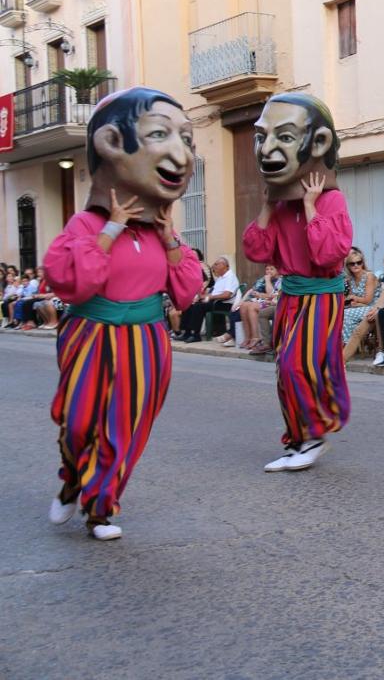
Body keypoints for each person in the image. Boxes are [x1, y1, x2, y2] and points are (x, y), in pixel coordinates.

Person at [43, 86, 202, 540]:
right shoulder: (84, 225)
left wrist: (170, 237)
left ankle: (100, 508)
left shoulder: (160, 234)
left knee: (125, 426)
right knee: (77, 422)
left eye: (186, 138)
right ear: (111, 144)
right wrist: (112, 228)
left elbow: (187, 291)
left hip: (146, 340)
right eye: (160, 133)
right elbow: (76, 282)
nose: (183, 153)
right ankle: (72, 481)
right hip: (92, 335)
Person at [243, 92, 354, 472]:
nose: (267, 147)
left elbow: (328, 254)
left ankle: (314, 435)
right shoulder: (280, 206)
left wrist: (310, 207)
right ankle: (296, 439)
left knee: (298, 365)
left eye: (285, 137)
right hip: (291, 296)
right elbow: (257, 251)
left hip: (320, 297)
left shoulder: (331, 201)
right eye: (262, 136)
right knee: (283, 370)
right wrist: (266, 206)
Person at [176, 256, 239, 342]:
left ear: (225, 266)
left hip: (225, 303)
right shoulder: (221, 277)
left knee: (198, 307)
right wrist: (202, 296)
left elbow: (227, 295)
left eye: (217, 264)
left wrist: (209, 297)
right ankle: (187, 332)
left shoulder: (230, 277)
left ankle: (196, 334)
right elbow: (214, 292)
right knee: (189, 304)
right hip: (216, 301)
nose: (214, 266)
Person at [340, 250, 380, 360]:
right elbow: (354, 298)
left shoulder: (369, 276)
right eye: (352, 263)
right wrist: (355, 301)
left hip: (374, 307)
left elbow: (368, 299)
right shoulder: (350, 279)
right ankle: (346, 346)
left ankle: (347, 347)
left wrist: (355, 298)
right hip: (360, 307)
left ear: (363, 263)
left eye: (359, 262)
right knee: (339, 314)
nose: (356, 265)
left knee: (345, 314)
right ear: (348, 266)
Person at [237, 264, 281, 351]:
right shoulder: (262, 280)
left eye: (272, 269)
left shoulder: (280, 280)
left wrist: (267, 281)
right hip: (263, 300)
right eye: (267, 269)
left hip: (273, 303)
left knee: (252, 307)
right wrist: (241, 301)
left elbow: (272, 295)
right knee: (243, 306)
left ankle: (255, 337)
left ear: (278, 270)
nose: (269, 271)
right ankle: (248, 337)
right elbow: (253, 290)